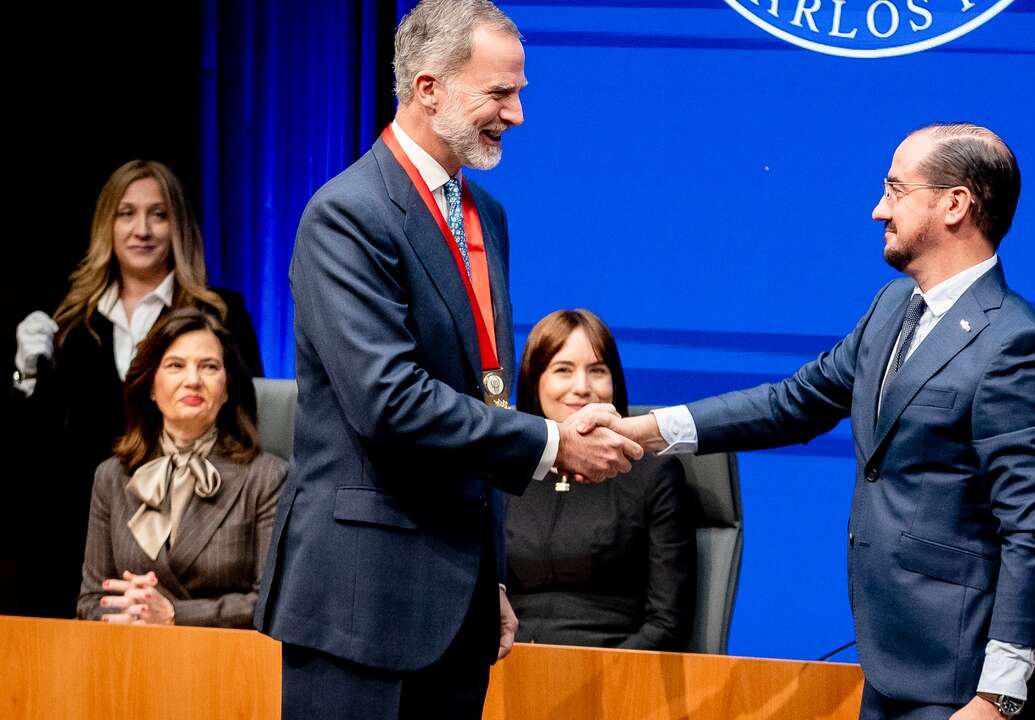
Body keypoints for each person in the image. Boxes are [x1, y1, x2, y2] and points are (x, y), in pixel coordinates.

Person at [609, 124, 1035, 720]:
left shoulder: (1017, 346)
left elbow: (1031, 531)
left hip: (960, 683)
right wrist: (645, 430)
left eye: (895, 189)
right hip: (891, 665)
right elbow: (794, 401)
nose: (877, 208)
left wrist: (1000, 695)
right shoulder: (891, 308)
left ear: (955, 203)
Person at [254, 3, 641, 719]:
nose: (517, 113)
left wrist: (485, 576)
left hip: (457, 607)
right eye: (499, 93)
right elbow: (389, 401)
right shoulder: (346, 215)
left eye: (518, 92)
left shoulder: (483, 213)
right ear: (428, 88)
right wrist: (553, 442)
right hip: (358, 607)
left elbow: (481, 392)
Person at [9, 159, 263, 619]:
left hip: (196, 543)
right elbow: (38, 449)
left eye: (158, 214)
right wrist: (26, 377)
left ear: (179, 226)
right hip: (79, 537)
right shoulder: (71, 324)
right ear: (106, 224)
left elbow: (246, 421)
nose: (142, 229)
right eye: (126, 213)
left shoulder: (219, 313)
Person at [77, 308, 285, 627]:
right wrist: (131, 611)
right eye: (176, 366)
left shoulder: (266, 476)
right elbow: (91, 602)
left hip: (229, 664)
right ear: (149, 385)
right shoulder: (112, 476)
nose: (193, 381)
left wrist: (175, 614)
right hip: (128, 660)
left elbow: (274, 602)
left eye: (209, 367)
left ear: (227, 387)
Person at [505, 309, 695, 650]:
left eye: (597, 371)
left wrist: (602, 679)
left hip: (613, 678)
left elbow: (667, 624)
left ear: (615, 384)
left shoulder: (653, 474)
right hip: (504, 672)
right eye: (563, 370)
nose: (582, 388)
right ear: (535, 380)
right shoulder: (505, 471)